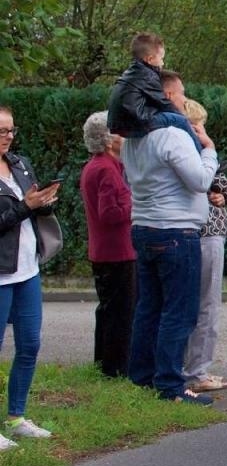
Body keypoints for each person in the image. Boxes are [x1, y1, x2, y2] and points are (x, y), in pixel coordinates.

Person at [123, 67, 219, 405]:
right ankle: (170, 387)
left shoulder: (134, 136)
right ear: (165, 96)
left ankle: (142, 377)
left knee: (149, 307)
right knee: (179, 312)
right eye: (180, 93)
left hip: (144, 227)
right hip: (177, 232)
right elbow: (199, 181)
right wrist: (209, 151)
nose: (184, 99)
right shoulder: (173, 135)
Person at [0, 107, 60, 449]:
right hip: (0, 273)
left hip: (27, 270)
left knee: (30, 344)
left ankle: (17, 417)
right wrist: (25, 205)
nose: (8, 137)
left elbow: (31, 207)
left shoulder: (19, 163)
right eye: (1, 131)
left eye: (11, 131)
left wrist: (45, 202)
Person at [180, 99, 227, 394]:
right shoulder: (194, 155)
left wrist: (222, 195)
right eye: (199, 125)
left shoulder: (197, 155)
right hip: (205, 235)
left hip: (204, 234)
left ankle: (193, 367)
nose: (203, 131)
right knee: (206, 305)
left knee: (198, 304)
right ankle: (196, 371)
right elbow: (204, 183)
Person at [80, 111, 135, 378]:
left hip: (106, 249)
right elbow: (109, 213)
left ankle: (105, 362)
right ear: (109, 138)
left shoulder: (98, 165)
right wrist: (134, 206)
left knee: (109, 309)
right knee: (120, 312)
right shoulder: (106, 169)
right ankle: (115, 367)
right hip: (117, 251)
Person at [106, 31, 199, 148]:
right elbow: (163, 103)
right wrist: (184, 117)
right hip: (136, 122)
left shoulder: (131, 72)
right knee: (180, 120)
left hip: (117, 125)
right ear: (149, 59)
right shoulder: (148, 75)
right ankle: (201, 153)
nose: (163, 63)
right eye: (161, 58)